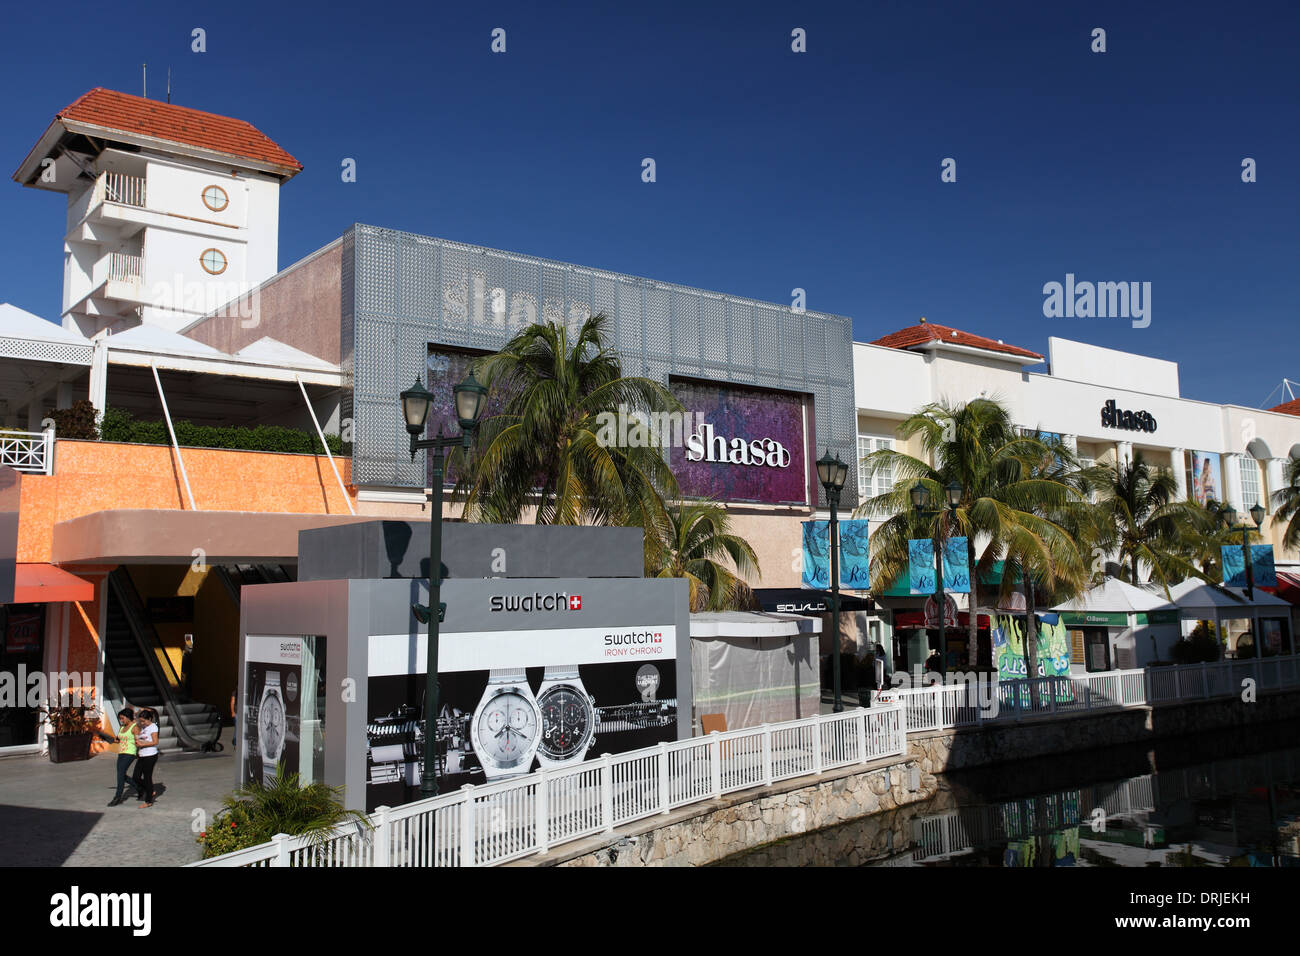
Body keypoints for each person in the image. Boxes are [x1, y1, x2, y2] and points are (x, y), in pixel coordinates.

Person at [102, 708, 139, 807]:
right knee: (121, 774)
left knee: (120, 775)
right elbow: (118, 740)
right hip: (121, 752)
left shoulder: (135, 727)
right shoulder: (122, 727)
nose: (121, 720)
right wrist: (106, 737)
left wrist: (139, 752)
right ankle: (139, 788)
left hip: (130, 753)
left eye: (122, 718)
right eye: (120, 719)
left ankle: (117, 797)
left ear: (128, 717)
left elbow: (138, 741)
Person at [132, 708, 161, 809]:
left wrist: (143, 743)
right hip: (142, 754)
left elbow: (155, 742)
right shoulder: (144, 728)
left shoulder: (153, 727)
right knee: (135, 777)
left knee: (147, 777)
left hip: (150, 755)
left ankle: (148, 801)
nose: (142, 723)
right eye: (141, 721)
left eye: (144, 721)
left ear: (150, 719)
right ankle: (150, 790)